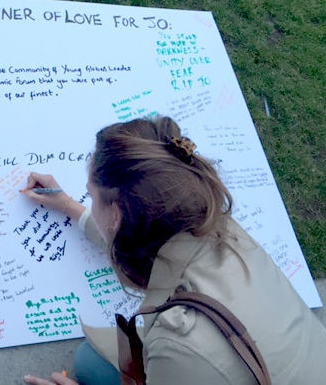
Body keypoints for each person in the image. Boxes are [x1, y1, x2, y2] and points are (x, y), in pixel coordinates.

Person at [21, 116, 326, 385]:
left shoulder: (180, 341)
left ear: (117, 216)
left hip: (202, 361)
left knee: (89, 363)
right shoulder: (218, 227)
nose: (87, 201)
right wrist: (70, 207)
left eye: (91, 197)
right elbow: (136, 235)